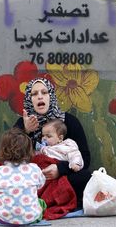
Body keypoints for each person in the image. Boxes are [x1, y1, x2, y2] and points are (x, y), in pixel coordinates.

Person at [14, 77, 91, 209]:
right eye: (34, 94)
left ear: (51, 96)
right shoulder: (23, 123)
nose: (40, 97)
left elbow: (85, 158)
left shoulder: (69, 122)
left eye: (44, 92)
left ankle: (43, 199)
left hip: (61, 176)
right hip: (34, 178)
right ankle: (49, 199)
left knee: (85, 176)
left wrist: (60, 169)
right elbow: (10, 155)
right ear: (29, 99)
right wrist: (25, 131)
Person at [0, 128, 46, 225]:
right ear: (28, 150)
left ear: (2, 150)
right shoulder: (34, 169)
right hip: (31, 218)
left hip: (5, 219)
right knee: (42, 203)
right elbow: (41, 184)